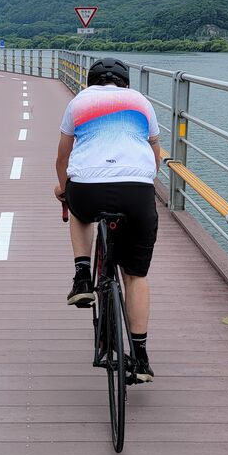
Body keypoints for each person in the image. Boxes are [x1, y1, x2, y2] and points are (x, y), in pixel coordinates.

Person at [53, 57, 161, 383]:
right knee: (135, 277)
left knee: (78, 213)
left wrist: (63, 190)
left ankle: (82, 276)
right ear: (125, 83)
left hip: (87, 188)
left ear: (90, 82)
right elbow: (156, 153)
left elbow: (63, 157)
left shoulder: (78, 102)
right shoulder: (142, 102)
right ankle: (140, 359)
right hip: (137, 190)